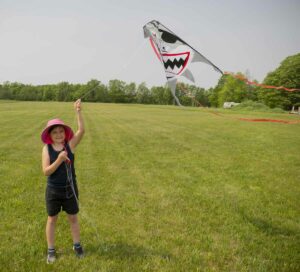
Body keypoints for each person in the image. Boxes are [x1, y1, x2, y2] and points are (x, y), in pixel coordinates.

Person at [41, 99, 85, 264]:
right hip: (53, 190)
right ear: (50, 135)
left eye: (61, 131)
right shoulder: (47, 149)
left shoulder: (70, 145)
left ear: (65, 133)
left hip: (69, 189)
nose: (59, 135)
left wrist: (78, 111)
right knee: (52, 219)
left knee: (73, 218)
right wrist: (59, 159)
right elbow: (46, 171)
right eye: (55, 132)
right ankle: (51, 249)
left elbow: (81, 130)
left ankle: (77, 245)